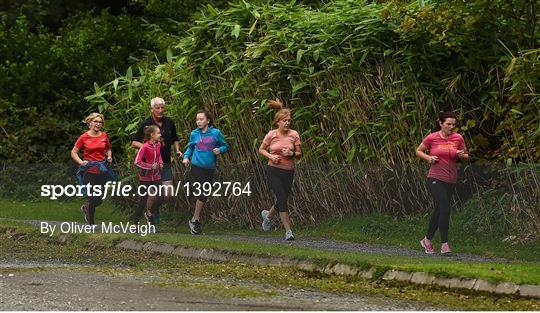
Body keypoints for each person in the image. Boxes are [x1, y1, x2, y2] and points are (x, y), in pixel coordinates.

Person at [416, 111, 469, 254]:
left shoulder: (458, 137)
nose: (451, 127)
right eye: (448, 124)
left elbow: (465, 155)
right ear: (441, 124)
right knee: (445, 208)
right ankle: (445, 244)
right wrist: (428, 158)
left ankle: (427, 240)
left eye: (454, 124)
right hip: (435, 178)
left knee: (439, 210)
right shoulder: (432, 138)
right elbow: (419, 151)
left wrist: (461, 155)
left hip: (451, 180)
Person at [132, 97, 182, 224]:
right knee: (153, 194)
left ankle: (151, 210)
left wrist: (177, 151)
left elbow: (175, 138)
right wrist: (148, 146)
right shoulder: (146, 124)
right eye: (157, 108)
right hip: (150, 166)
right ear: (152, 109)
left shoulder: (170, 122)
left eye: (162, 107)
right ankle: (149, 213)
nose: (160, 110)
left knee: (168, 194)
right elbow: (134, 142)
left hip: (164, 163)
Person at [259, 102, 302, 241]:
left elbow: (300, 154)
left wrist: (291, 153)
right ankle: (288, 231)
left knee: (283, 198)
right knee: (282, 199)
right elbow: (261, 149)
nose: (287, 123)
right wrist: (271, 156)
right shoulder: (271, 134)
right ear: (278, 122)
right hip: (273, 170)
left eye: (289, 120)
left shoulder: (294, 134)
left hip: (288, 171)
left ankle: (268, 216)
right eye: (284, 121)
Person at [182, 110, 229, 235]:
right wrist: (186, 157)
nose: (198, 122)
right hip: (196, 166)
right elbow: (190, 147)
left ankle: (194, 220)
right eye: (197, 119)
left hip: (210, 168)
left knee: (204, 194)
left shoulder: (216, 133)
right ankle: (196, 220)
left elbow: (225, 146)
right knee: (202, 190)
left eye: (201, 119)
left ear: (208, 120)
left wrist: (220, 150)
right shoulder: (194, 134)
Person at [71, 112, 112, 225]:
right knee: (93, 196)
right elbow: (74, 152)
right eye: (96, 121)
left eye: (100, 122)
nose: (98, 124)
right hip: (89, 170)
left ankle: (86, 208)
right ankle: (91, 224)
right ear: (90, 122)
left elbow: (108, 149)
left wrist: (109, 156)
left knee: (99, 199)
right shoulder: (84, 137)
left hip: (102, 169)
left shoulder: (104, 136)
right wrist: (81, 162)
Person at [134, 125, 164, 225]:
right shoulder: (145, 147)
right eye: (158, 133)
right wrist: (150, 166)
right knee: (143, 202)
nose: (160, 135)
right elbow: (137, 162)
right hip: (145, 178)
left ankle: (149, 212)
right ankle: (136, 224)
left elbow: (159, 156)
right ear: (152, 135)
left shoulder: (159, 144)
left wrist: (160, 163)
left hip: (156, 177)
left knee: (161, 197)